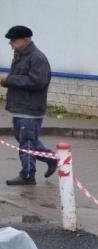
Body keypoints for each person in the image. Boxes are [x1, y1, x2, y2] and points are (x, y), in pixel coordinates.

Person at [1, 25, 56, 185]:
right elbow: (19, 78)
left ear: (25, 39)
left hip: (30, 109)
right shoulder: (20, 55)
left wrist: (9, 79)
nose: (11, 43)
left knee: (27, 143)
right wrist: (5, 81)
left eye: (13, 40)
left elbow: (37, 81)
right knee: (27, 141)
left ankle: (27, 175)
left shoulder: (37, 57)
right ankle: (51, 158)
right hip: (19, 107)